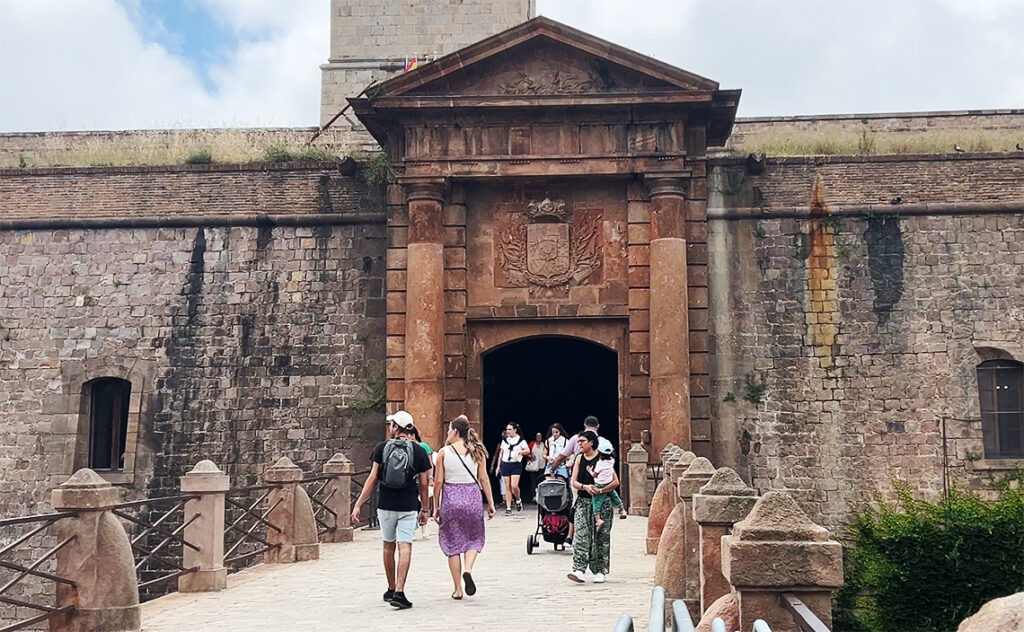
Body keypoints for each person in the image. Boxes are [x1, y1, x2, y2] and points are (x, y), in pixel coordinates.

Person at [352, 410, 432, 609]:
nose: (390, 427)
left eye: (392, 424)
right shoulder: (419, 451)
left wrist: (359, 503)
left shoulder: (381, 448)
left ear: (397, 427)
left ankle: (390, 587)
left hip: (385, 503)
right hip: (408, 505)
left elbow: (372, 478)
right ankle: (400, 591)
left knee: (388, 545)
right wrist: (425, 509)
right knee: (405, 546)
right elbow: (423, 484)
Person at [433, 415, 496, 600]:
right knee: (473, 539)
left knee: (453, 544)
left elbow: (438, 481)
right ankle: (468, 570)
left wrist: (435, 506)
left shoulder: (444, 452)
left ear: (454, 431)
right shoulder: (477, 451)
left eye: (449, 430)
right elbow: (484, 479)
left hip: (451, 499)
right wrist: (490, 503)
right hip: (472, 498)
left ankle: (458, 589)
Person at [567, 430, 618, 584]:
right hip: (583, 501)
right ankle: (579, 569)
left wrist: (600, 490)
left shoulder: (603, 458)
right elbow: (574, 481)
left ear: (591, 442)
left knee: (601, 538)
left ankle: (600, 570)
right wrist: (585, 487)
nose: (579, 444)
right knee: (581, 535)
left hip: (602, 502)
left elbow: (615, 482)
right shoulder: (579, 459)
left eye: (582, 441)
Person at [588, 438, 627, 530]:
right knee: (615, 496)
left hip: (600, 484)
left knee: (596, 502)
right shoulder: (612, 461)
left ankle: (598, 520)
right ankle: (622, 509)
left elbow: (595, 475)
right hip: (608, 482)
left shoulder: (599, 463)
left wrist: (589, 470)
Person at [496, 422, 529, 515]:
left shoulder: (521, 440)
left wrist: (519, 452)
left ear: (515, 430)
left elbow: (527, 451)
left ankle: (518, 499)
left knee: (514, 485)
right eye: (507, 429)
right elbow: (501, 454)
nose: (508, 431)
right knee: (507, 487)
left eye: (510, 429)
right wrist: (498, 466)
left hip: (515, 464)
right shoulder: (505, 440)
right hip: (506, 464)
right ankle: (508, 507)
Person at [411, 426, 435, 540]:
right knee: (414, 503)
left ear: (413, 435)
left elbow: (430, 464)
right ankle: (414, 527)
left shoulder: (423, 447)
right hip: (412, 480)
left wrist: (431, 478)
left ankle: (425, 526)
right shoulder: (408, 447)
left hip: (423, 478)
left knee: (423, 502)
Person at [524, 431, 546, 502]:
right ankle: (533, 496)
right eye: (537, 436)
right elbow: (526, 452)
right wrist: (530, 456)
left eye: (540, 436)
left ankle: (541, 496)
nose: (539, 438)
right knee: (533, 482)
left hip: (542, 465)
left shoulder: (544, 444)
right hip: (533, 466)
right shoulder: (531, 444)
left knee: (541, 481)